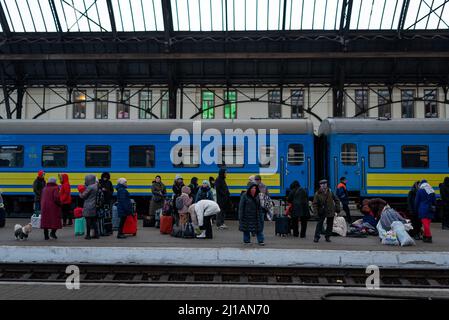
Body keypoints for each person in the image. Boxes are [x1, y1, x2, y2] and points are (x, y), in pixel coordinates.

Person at [78, 174, 99, 240]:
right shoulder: (96, 186)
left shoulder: (90, 187)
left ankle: (88, 235)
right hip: (94, 205)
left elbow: (83, 196)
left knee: (88, 221)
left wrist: (80, 192)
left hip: (88, 206)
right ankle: (96, 234)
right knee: (94, 221)